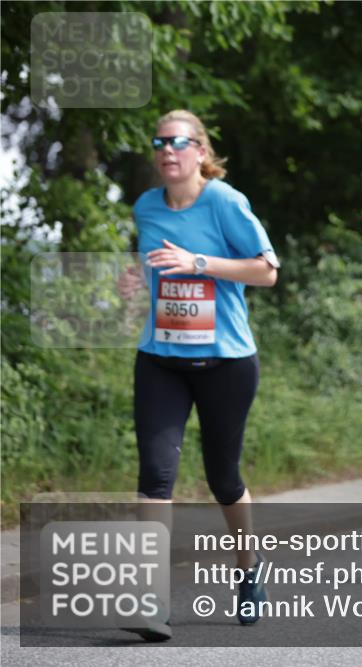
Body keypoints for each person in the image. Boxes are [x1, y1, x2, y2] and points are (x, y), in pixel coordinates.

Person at [118, 109, 279, 639]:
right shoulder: (145, 205)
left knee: (223, 479)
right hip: (161, 358)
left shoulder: (225, 202)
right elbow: (151, 262)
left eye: (179, 142)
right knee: (156, 474)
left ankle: (249, 572)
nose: (168, 150)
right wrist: (135, 279)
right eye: (160, 142)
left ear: (201, 152)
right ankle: (150, 600)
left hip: (226, 362)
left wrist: (199, 263)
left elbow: (267, 270)